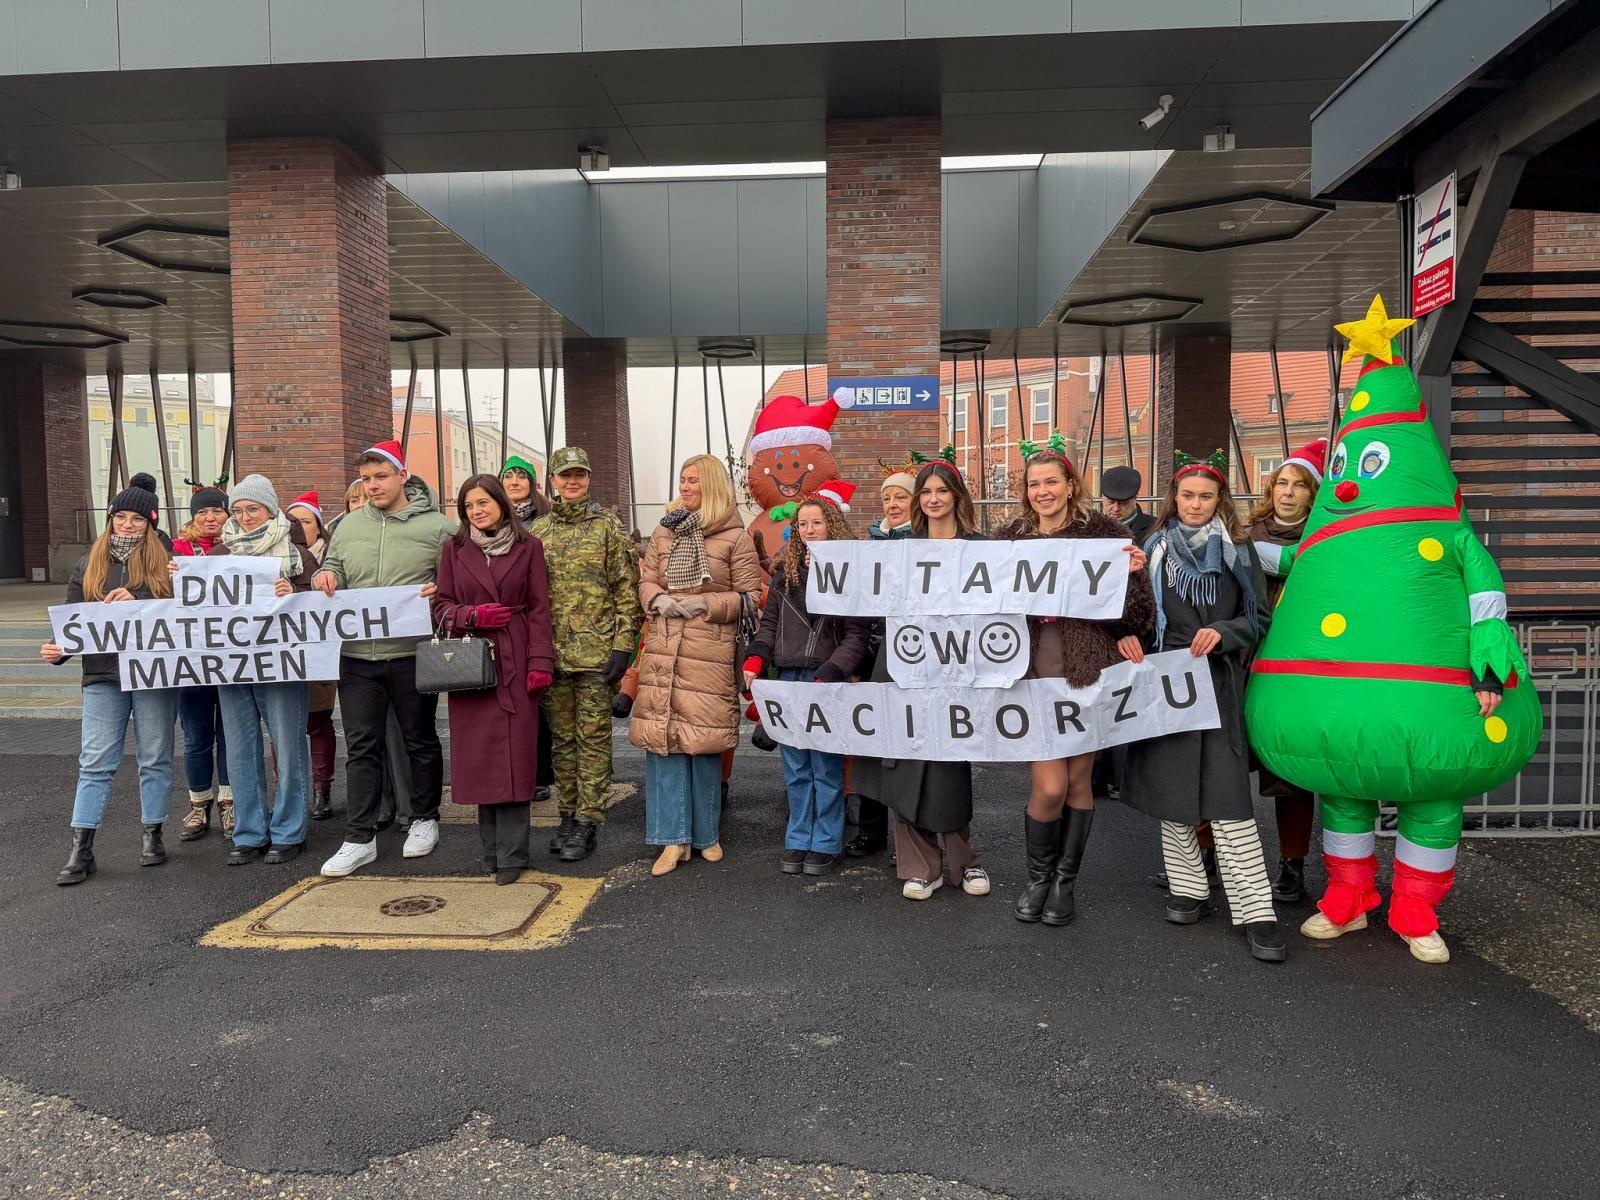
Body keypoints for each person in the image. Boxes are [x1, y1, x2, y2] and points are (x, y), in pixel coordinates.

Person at [1117, 450, 1285, 964]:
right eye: (1187, 496)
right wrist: (1131, 633)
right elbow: (1140, 616)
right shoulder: (1151, 549)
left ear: (1219, 501)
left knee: (1227, 798)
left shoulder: (1239, 550)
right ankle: (1189, 888)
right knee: (1173, 789)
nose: (1194, 504)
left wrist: (1227, 632)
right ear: (1175, 499)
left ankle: (1256, 910)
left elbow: (1259, 618)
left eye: (1205, 496)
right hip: (1167, 681)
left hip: (1217, 682)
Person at [995, 438, 1154, 926]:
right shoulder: (1007, 540)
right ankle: (1038, 879)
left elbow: (1138, 618)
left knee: (1079, 779)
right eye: (1034, 484)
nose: (1043, 491)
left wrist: (1131, 577)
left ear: (1069, 486)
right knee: (1049, 785)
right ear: (1026, 491)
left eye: (1051, 482)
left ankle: (1065, 883)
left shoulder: (1107, 534)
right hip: (1031, 665)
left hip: (1087, 665)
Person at [853, 455, 991, 902]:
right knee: (903, 761)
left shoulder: (980, 549)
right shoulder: (899, 550)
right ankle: (918, 865)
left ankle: (963, 861)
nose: (933, 499)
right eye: (925, 492)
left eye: (941, 491)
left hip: (956, 668)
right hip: (903, 664)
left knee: (950, 763)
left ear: (956, 497)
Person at [313, 440, 453, 877]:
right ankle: (359, 836)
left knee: (419, 737)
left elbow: (458, 584)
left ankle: (424, 818)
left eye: (381, 477)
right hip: (356, 656)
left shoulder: (439, 528)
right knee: (361, 747)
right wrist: (325, 574)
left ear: (402, 477)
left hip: (412, 653)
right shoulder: (349, 526)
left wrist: (440, 592)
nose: (372, 486)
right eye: (366, 479)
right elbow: (330, 564)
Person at [630, 454, 763, 877]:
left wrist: (705, 603)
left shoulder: (734, 536)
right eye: (682, 481)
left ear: (712, 485)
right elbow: (647, 579)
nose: (685, 487)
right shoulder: (665, 531)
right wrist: (657, 598)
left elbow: (750, 597)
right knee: (665, 744)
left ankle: (706, 836)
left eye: (693, 481)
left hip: (709, 649)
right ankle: (672, 840)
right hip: (665, 646)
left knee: (703, 745)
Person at [41, 478, 177, 886]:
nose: (128, 525)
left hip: (153, 672)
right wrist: (58, 649)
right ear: (110, 519)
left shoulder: (167, 560)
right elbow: (70, 618)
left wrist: (142, 602)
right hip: (102, 672)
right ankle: (82, 846)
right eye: (121, 517)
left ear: (150, 523)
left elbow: (185, 613)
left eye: (137, 518)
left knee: (155, 756)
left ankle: (152, 834)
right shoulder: (88, 562)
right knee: (96, 761)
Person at [432, 474, 556, 884]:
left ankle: (513, 857)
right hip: (471, 665)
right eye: (469, 506)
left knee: (516, 761)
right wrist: (471, 615)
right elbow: (442, 606)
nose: (476, 511)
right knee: (480, 762)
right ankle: (490, 852)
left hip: (515, 658)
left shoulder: (529, 547)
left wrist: (540, 662)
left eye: (483, 502)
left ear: (501, 503)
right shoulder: (454, 549)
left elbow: (539, 609)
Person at [743, 489, 871, 877]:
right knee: (796, 765)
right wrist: (755, 658)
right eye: (803, 524)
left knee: (826, 766)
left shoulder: (850, 572)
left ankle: (826, 840)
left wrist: (832, 671)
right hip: (789, 678)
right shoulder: (786, 570)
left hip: (825, 678)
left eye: (817, 523)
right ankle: (798, 837)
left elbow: (857, 634)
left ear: (831, 526)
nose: (810, 529)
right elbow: (769, 624)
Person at [529, 447, 642, 862]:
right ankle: (567, 812)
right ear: (553, 482)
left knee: (593, 740)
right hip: (553, 655)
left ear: (588, 478)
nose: (572, 482)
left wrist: (622, 645)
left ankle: (589, 820)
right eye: (565, 476)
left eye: (579, 474)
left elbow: (626, 591)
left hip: (596, 655)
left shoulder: (608, 528)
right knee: (562, 740)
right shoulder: (538, 533)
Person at [196, 475, 316, 865]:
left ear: (271, 510)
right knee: (241, 749)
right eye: (239, 510)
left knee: (288, 745)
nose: (245, 517)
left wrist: (295, 593)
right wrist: (185, 584)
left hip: (280, 665)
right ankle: (248, 833)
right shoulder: (216, 556)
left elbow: (322, 602)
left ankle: (288, 830)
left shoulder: (297, 554)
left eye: (254, 509)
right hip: (232, 666)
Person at [1244, 439, 1326, 902]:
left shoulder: (1327, 541)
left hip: (1295, 672)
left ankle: (1291, 865)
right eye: (1281, 483)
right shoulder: (1246, 532)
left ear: (1314, 494)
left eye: (1299, 485)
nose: (1287, 493)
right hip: (1241, 663)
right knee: (1221, 765)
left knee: (1289, 774)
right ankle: (1208, 859)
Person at [843, 465, 918, 859]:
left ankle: (910, 836)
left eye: (900, 497)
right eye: (887, 497)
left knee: (907, 745)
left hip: (913, 655)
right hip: (873, 656)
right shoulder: (867, 547)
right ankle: (871, 832)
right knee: (870, 743)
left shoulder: (924, 545)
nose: (892, 504)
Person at [171, 482, 233, 842]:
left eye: (217, 511)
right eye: (202, 512)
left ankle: (229, 802)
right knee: (196, 737)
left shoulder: (239, 549)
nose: (210, 518)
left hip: (230, 657)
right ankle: (199, 803)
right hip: (190, 660)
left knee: (229, 736)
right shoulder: (176, 551)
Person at [286, 490, 340, 822]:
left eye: (305, 521)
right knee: (286, 725)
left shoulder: (329, 559)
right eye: (292, 521)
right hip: (282, 655)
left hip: (316, 652)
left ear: (319, 527)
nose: (298, 526)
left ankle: (323, 789)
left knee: (318, 721)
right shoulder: (276, 556)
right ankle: (289, 790)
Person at [1101, 465, 1155, 543]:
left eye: (1123, 503)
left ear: (1135, 498)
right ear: (1102, 497)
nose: (1116, 508)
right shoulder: (1087, 527)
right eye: (1110, 502)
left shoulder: (1155, 528)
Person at [501, 454, 550, 523]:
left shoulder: (549, 515)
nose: (514, 482)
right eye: (508, 477)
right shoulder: (493, 517)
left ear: (532, 483)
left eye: (521, 477)